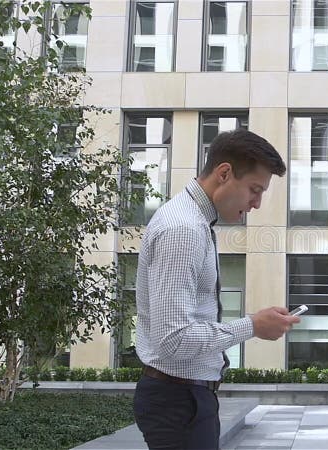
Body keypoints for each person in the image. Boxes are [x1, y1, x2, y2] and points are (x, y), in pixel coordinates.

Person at [133, 129, 301, 450]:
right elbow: (173, 340)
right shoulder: (183, 230)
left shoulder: (194, 222)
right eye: (254, 190)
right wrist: (252, 326)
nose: (257, 204)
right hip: (178, 401)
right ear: (224, 173)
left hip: (185, 398)